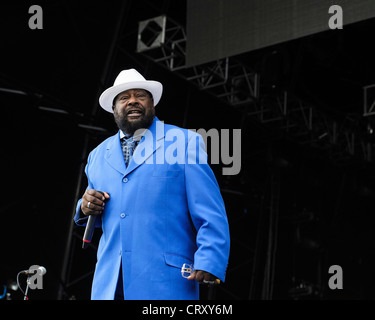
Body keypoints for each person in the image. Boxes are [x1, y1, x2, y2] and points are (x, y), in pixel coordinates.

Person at [74, 68, 230, 300]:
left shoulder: (184, 142)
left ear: (152, 104)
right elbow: (102, 210)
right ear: (114, 109)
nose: (133, 101)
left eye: (141, 95)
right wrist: (85, 207)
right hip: (109, 285)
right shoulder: (98, 155)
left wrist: (211, 258)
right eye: (124, 97)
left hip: (165, 283)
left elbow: (210, 210)